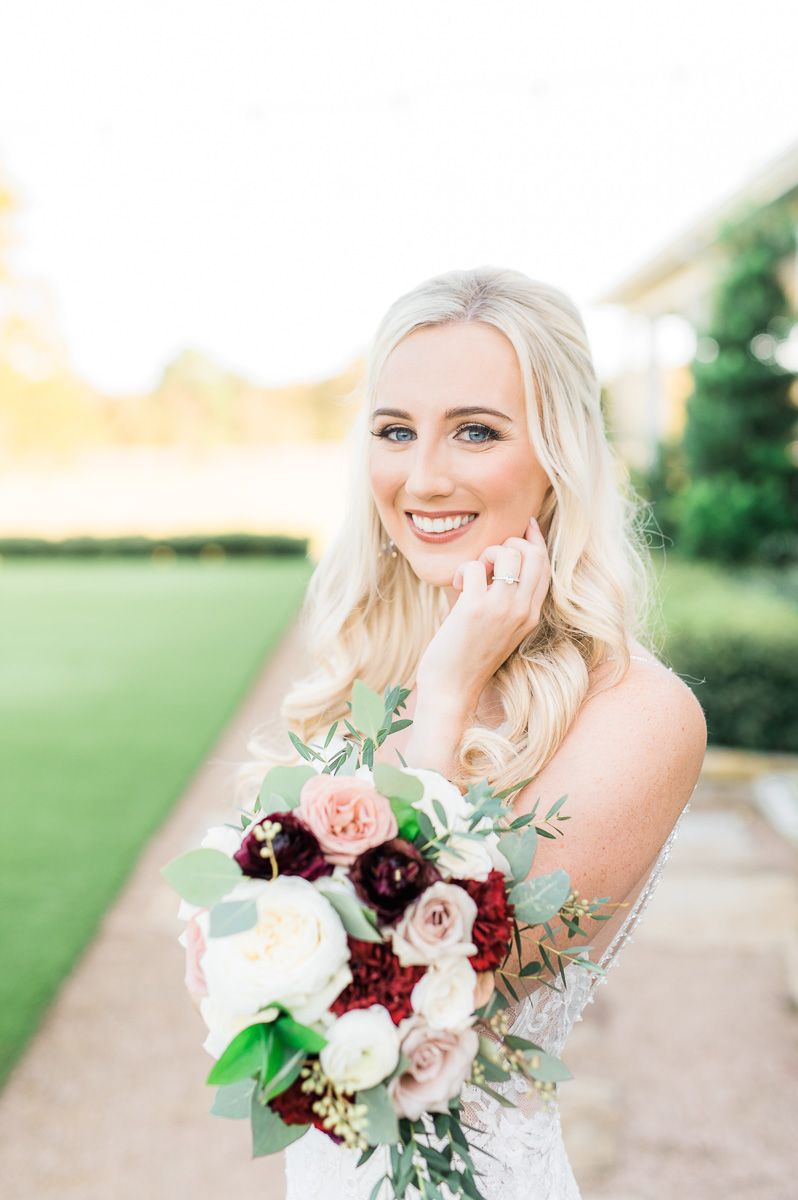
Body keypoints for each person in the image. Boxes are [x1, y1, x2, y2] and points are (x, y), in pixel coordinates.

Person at [242, 266, 707, 1199]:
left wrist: (450, 690)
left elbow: (414, 1010)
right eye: (395, 431)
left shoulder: (641, 715)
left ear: (559, 456)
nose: (423, 477)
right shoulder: (367, 668)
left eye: (476, 431)